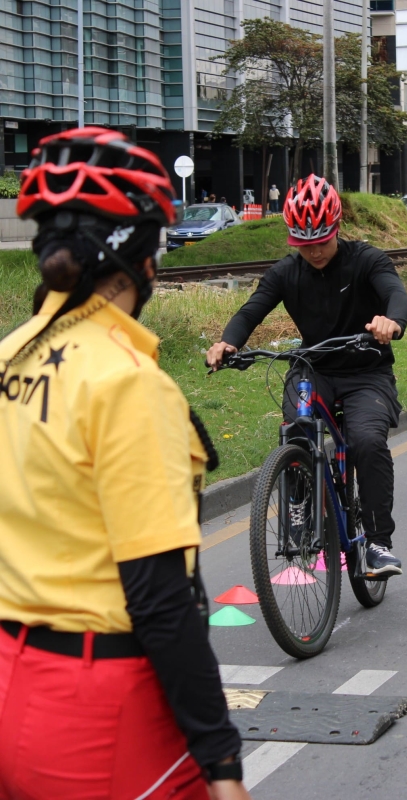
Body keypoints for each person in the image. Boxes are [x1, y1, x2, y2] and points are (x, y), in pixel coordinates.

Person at [0, 127, 251, 800]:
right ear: (138, 259)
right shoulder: (128, 384)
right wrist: (221, 762)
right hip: (101, 712)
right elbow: (160, 598)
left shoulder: (9, 356)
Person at [207, 174, 407, 577]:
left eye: (321, 241)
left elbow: (396, 294)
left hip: (365, 372)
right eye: (304, 244)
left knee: (367, 442)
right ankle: (299, 521)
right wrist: (227, 343)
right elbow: (253, 309)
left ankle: (377, 543)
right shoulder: (286, 272)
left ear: (336, 228)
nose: (314, 251)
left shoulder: (367, 260)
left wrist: (391, 321)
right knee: (296, 432)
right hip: (313, 370)